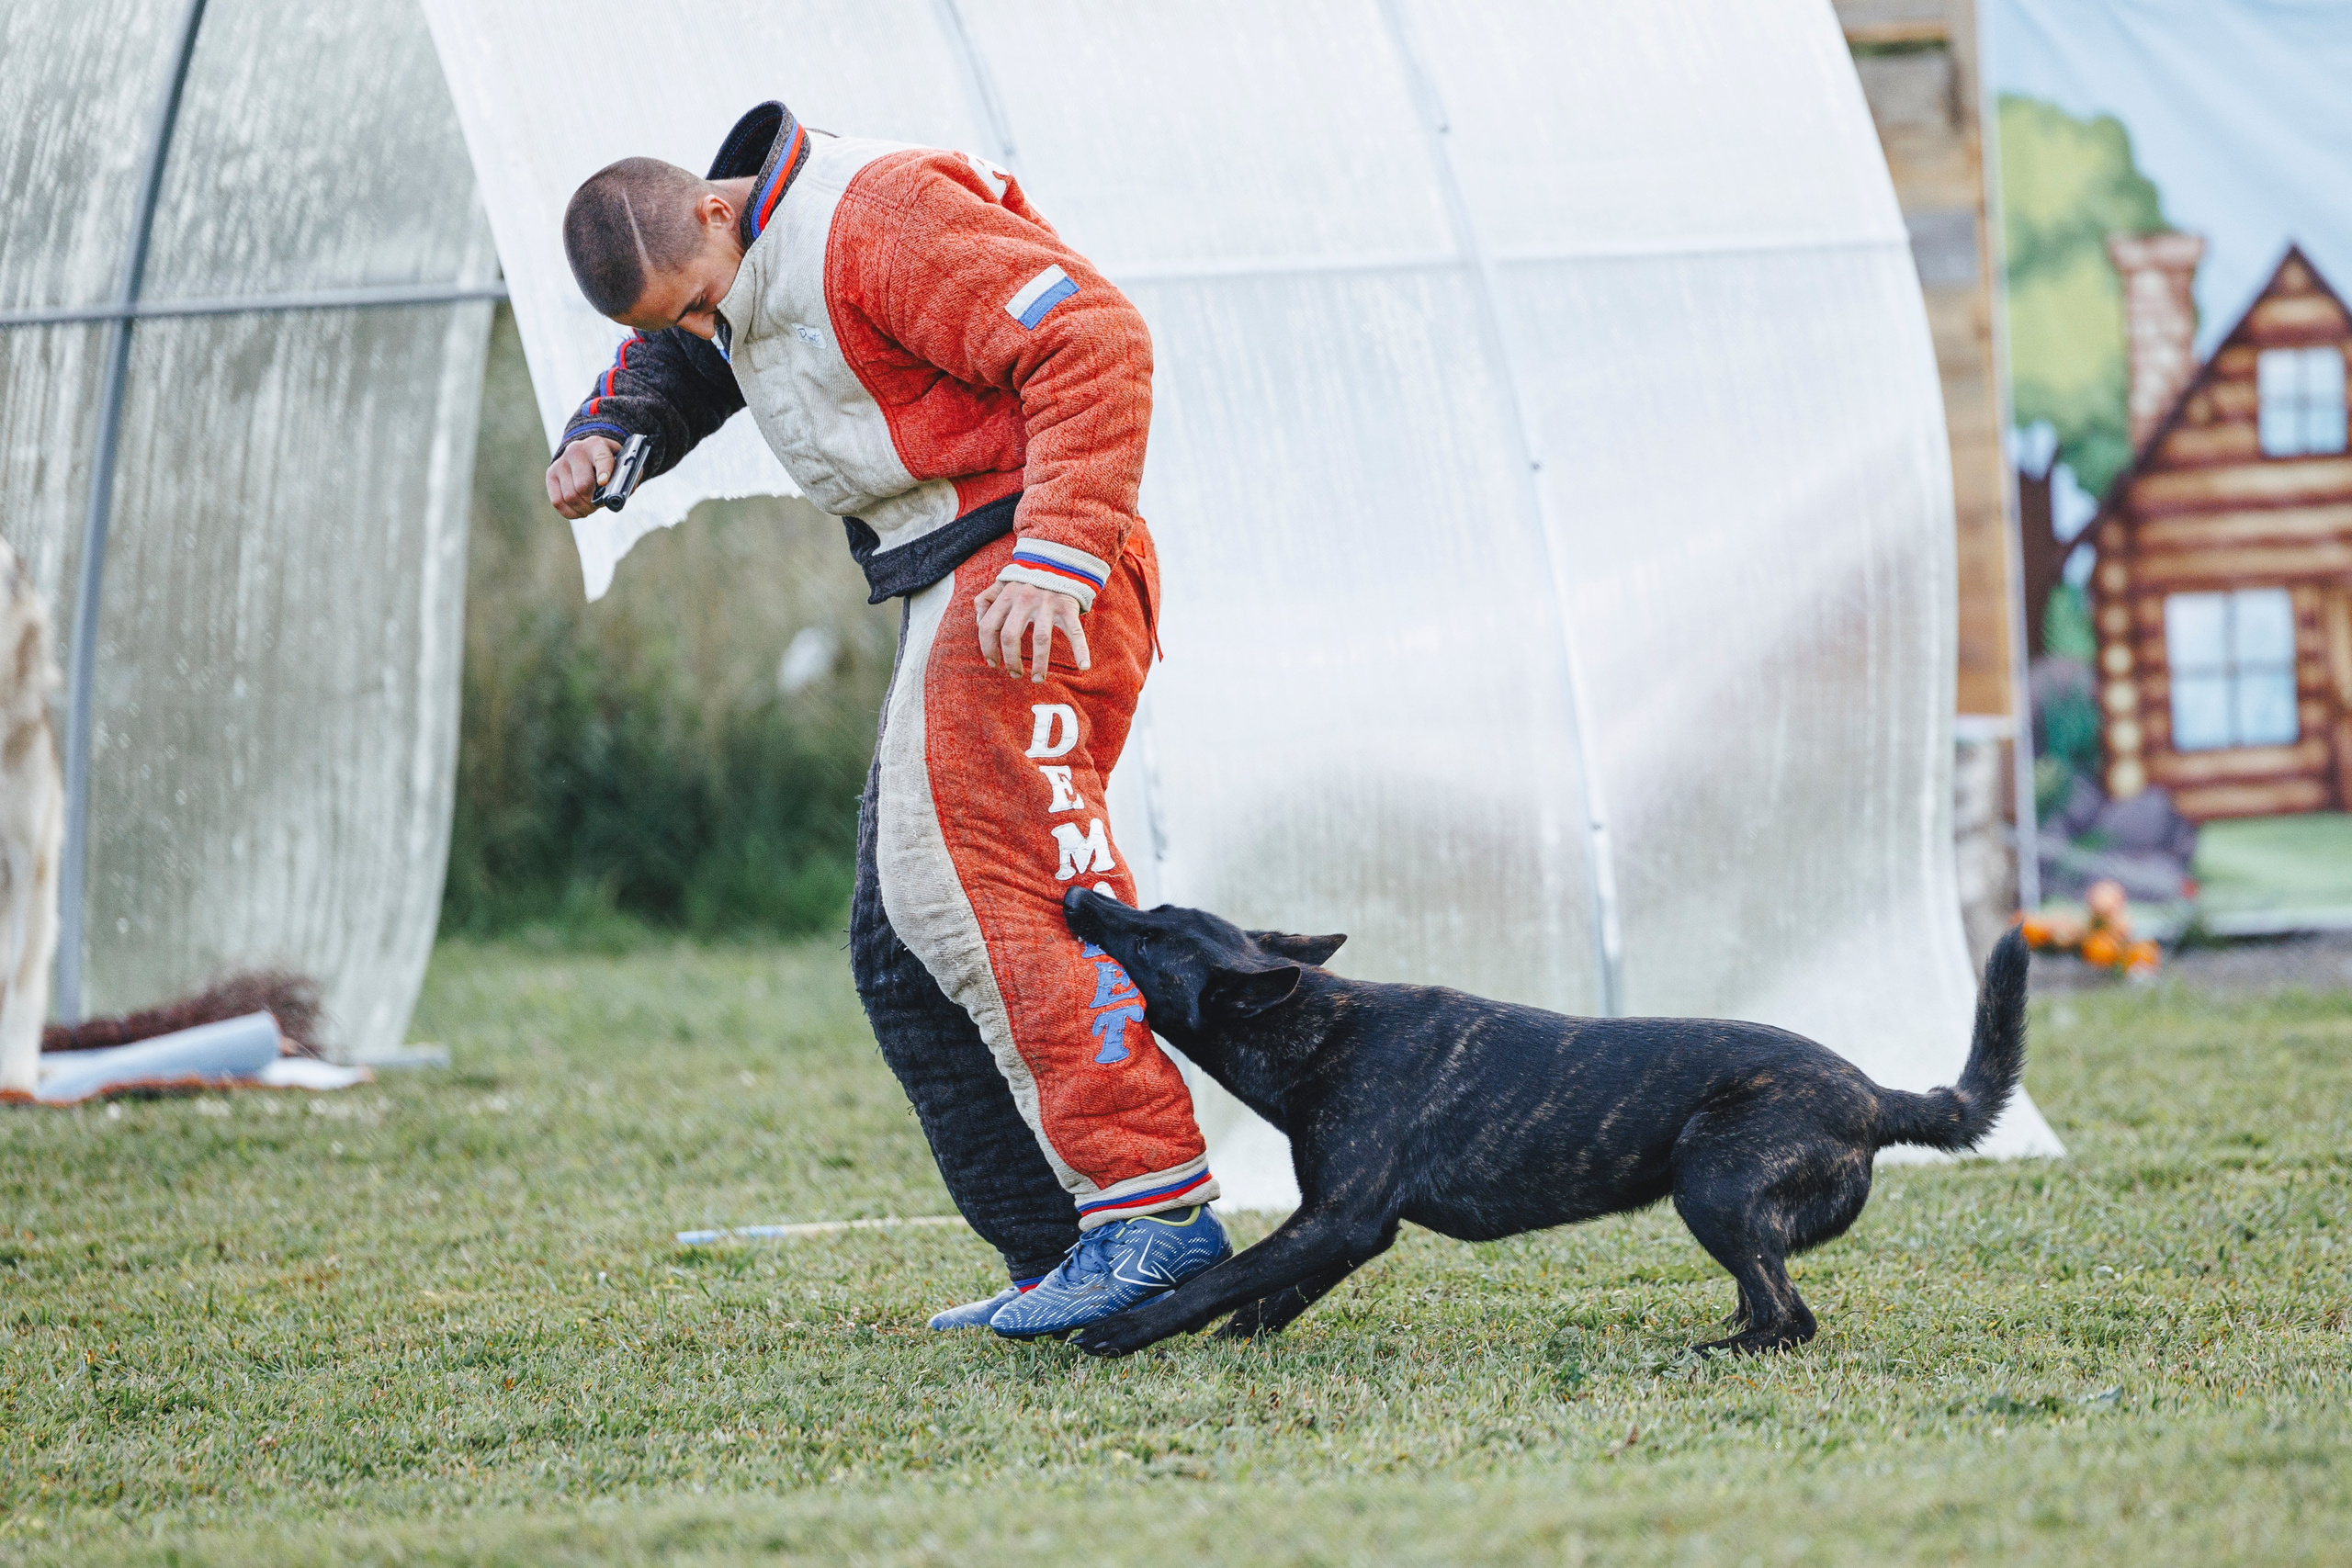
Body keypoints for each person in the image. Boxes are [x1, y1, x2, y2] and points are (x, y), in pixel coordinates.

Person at [545, 102, 1227, 1337]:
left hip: (1023, 561)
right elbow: (693, 355)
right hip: (955, 570)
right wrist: (610, 433)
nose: (705, 330)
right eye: (676, 320)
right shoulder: (739, 258)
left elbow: (1093, 336)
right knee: (896, 941)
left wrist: (1062, 549)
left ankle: (1155, 1222)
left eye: (697, 299)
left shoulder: (881, 218)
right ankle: (1060, 1254)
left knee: (975, 894)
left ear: (714, 203)